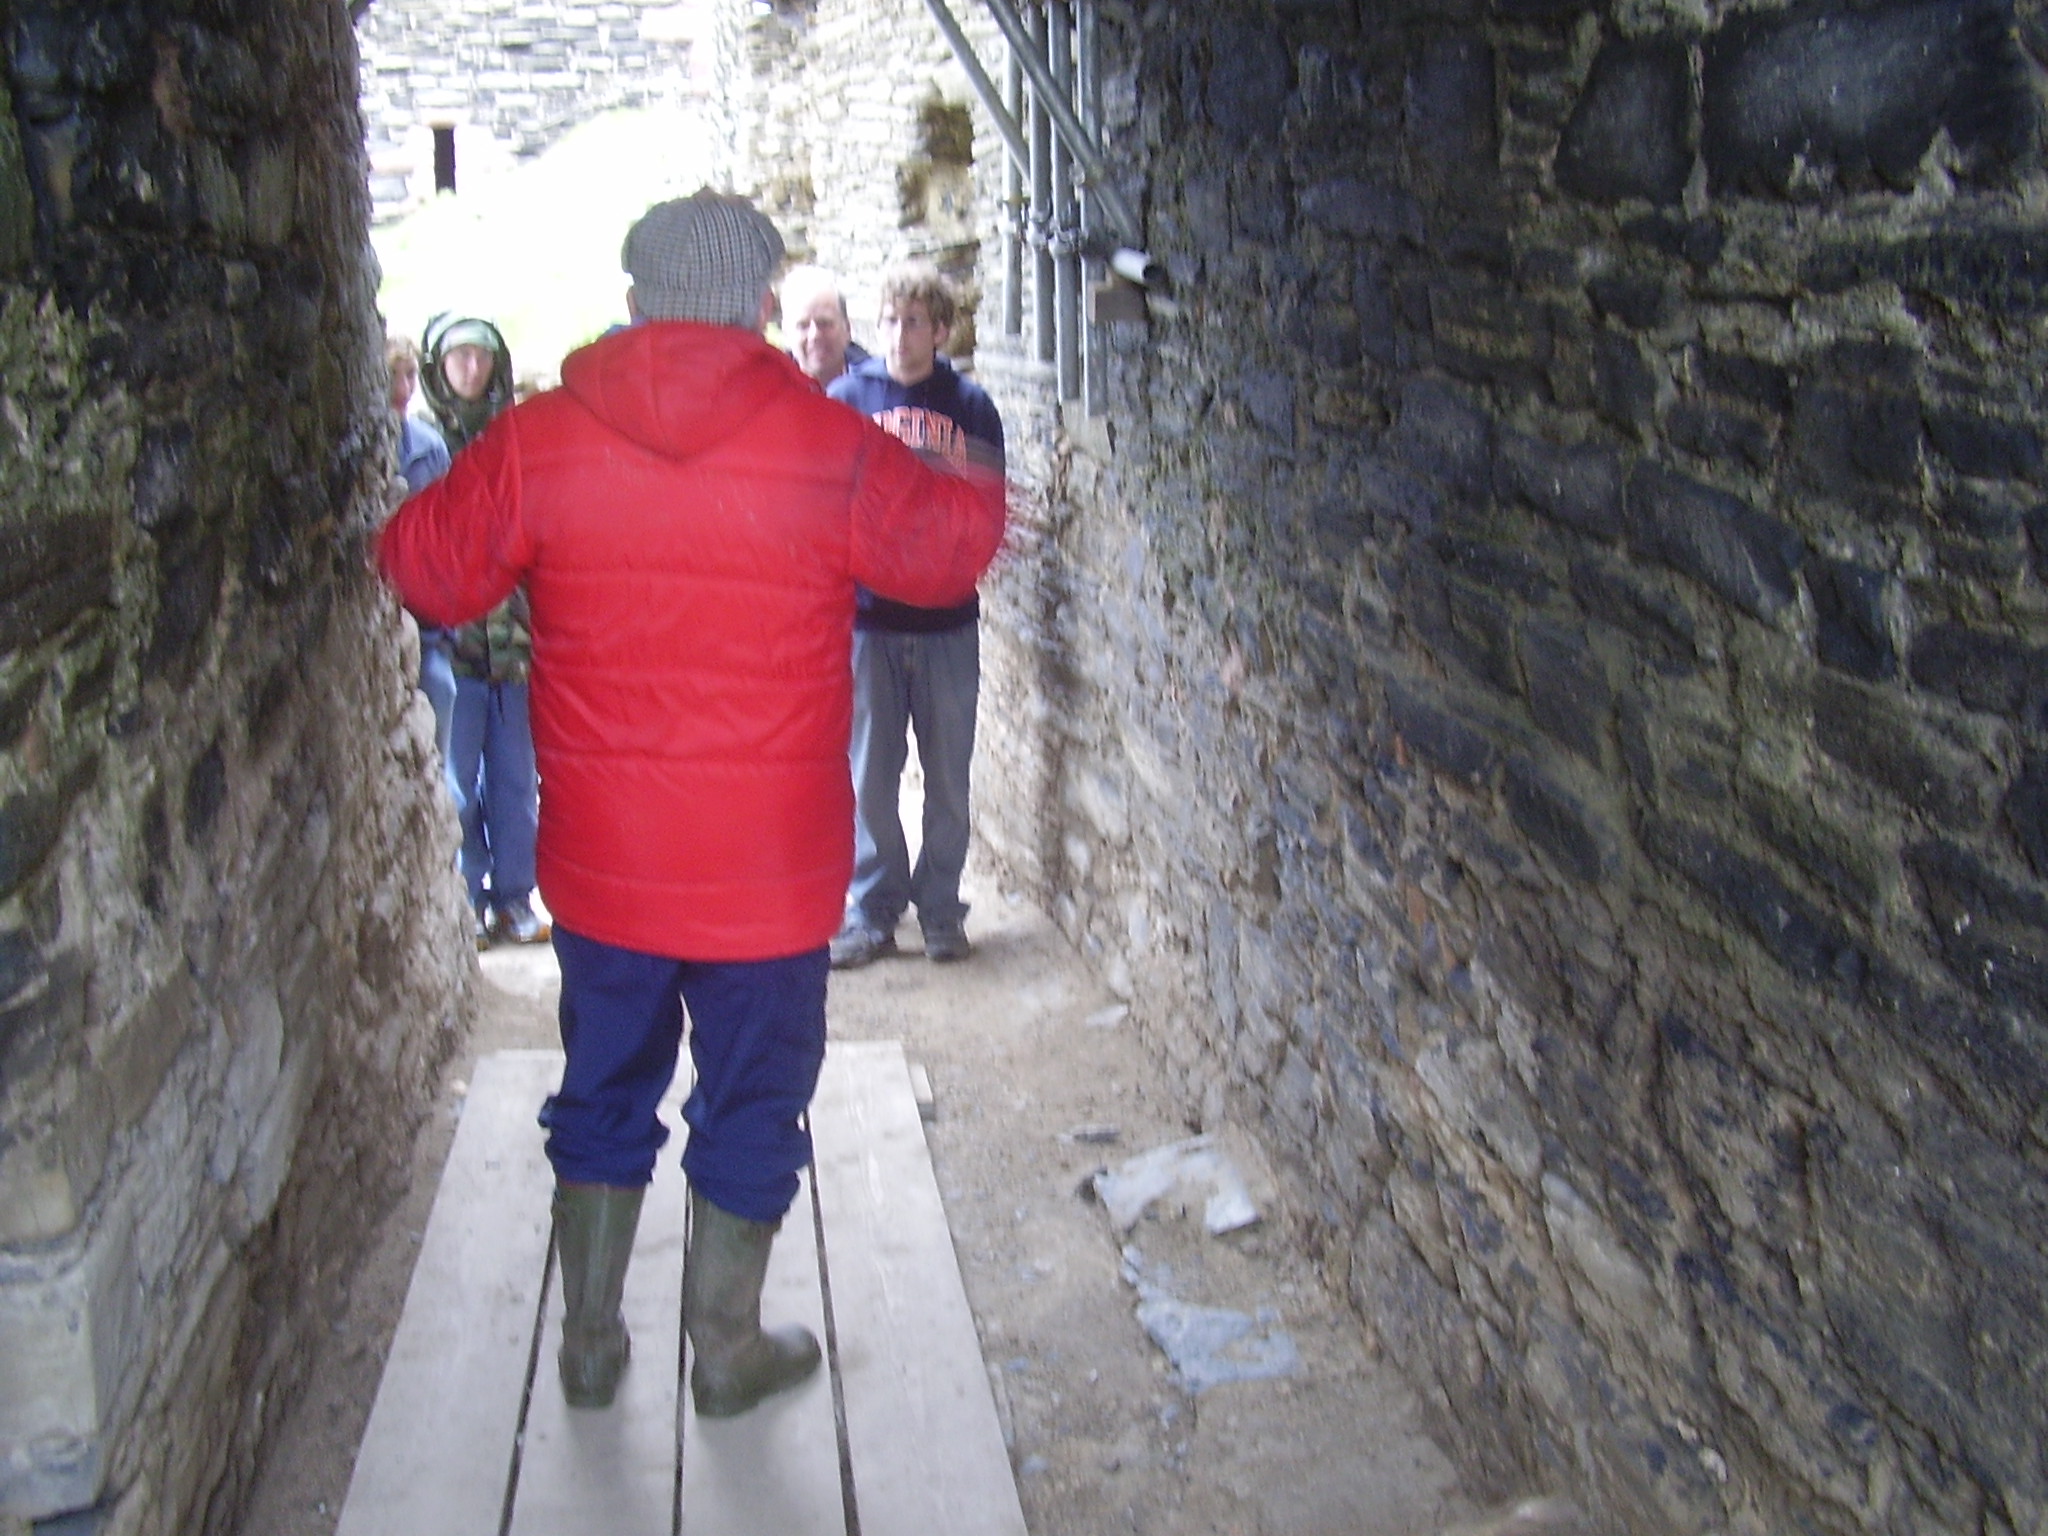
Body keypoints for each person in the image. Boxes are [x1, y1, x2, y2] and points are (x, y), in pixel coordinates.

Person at [376, 191, 1005, 1418]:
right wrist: (974, 465)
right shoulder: (826, 444)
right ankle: (723, 1351)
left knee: (601, 1086)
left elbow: (424, 566)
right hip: (769, 879)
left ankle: (593, 1345)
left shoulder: (540, 438)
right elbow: (943, 553)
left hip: (607, 870)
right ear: (759, 306)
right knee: (754, 1096)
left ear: (633, 304)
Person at [826, 263, 1005, 968]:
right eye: (890, 320)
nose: (900, 335)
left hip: (946, 625)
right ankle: (873, 909)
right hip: (869, 623)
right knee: (869, 773)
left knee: (948, 775)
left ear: (940, 328)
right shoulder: (845, 400)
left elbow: (987, 510)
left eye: (915, 322)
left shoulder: (970, 406)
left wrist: (947, 571)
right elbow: (824, 505)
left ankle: (940, 910)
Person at [419, 312, 548, 948]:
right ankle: (468, 893)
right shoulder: (426, 447)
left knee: (515, 778)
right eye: (458, 359)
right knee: (457, 779)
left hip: (514, 646)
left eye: (481, 358)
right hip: (458, 643)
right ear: (438, 368)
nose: (471, 371)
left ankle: (516, 896)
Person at [386, 333, 459, 803]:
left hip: (428, 628)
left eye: (410, 373)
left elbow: (449, 541)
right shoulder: (371, 450)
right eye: (394, 374)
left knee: (440, 702)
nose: (404, 386)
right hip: (390, 618)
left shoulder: (430, 449)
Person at [779, 263, 869, 387]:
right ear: (786, 333)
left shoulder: (876, 392)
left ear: (847, 329)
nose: (814, 335)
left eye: (825, 323)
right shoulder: (768, 391)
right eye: (803, 326)